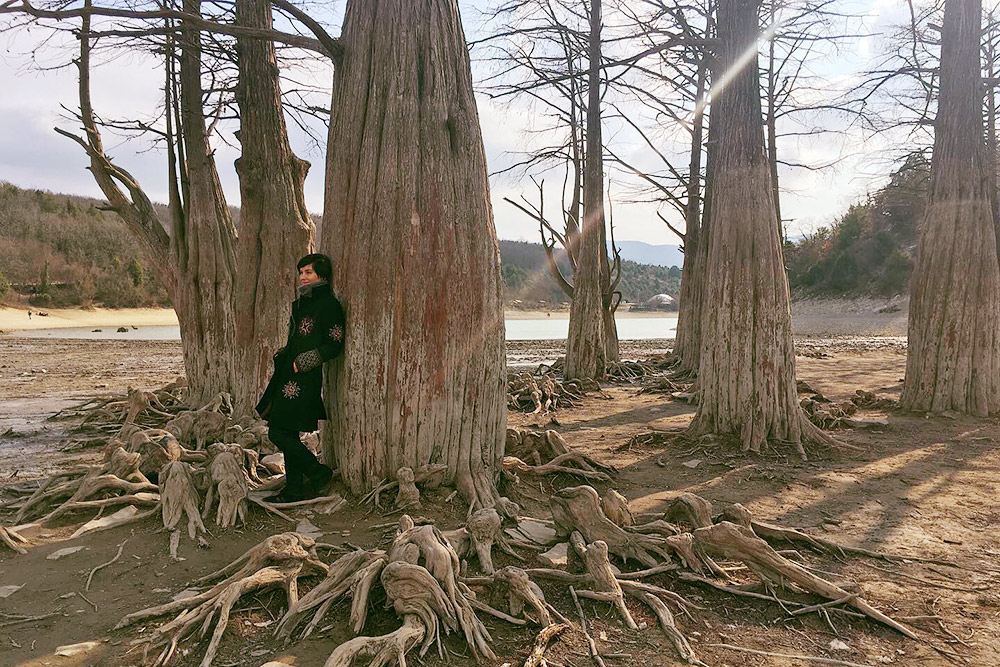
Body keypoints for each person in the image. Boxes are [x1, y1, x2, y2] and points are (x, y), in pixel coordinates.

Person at [255, 253, 345, 503]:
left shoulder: (329, 305)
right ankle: (293, 490)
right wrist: (285, 353)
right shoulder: (301, 304)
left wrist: (304, 361)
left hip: (305, 378)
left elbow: (334, 344)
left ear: (322, 276)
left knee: (279, 433)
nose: (303, 277)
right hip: (287, 374)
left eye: (309, 272)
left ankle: (319, 473)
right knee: (287, 432)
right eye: (301, 272)